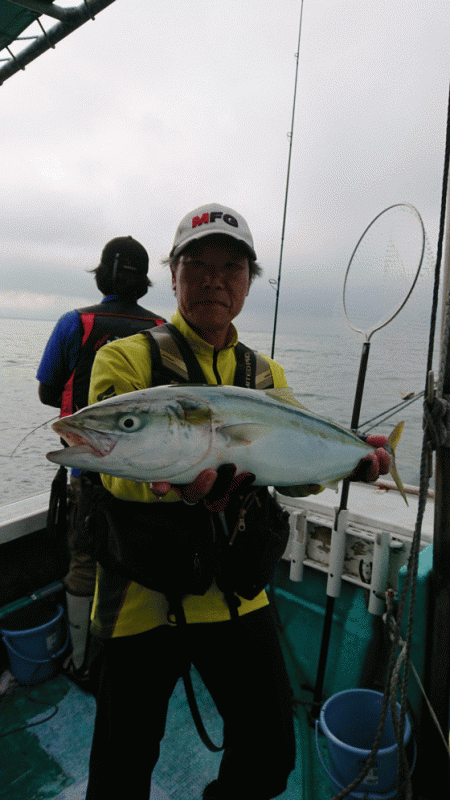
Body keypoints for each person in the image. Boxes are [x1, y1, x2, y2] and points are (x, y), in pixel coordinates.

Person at [84, 204, 390, 800]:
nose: (215, 278)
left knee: (270, 754)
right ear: (173, 274)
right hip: (142, 597)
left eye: (232, 266)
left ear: (250, 281)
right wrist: (162, 482)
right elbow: (113, 468)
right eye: (197, 264)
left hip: (234, 594)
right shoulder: (126, 359)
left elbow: (295, 476)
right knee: (120, 772)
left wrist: (348, 463)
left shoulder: (265, 374)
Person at [37, 236, 165, 686]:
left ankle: (83, 662)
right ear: (146, 283)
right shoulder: (165, 332)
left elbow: (47, 392)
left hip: (89, 472)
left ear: (100, 276)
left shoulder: (75, 323)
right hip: (150, 478)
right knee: (142, 563)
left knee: (85, 562)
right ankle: (136, 665)